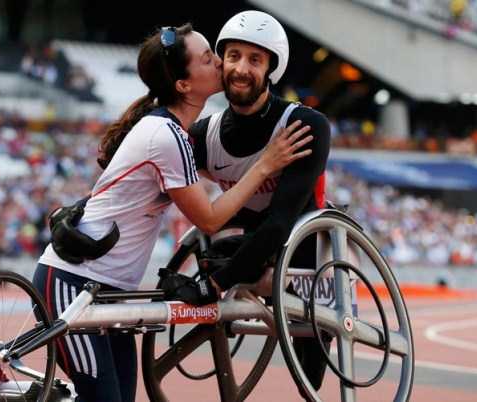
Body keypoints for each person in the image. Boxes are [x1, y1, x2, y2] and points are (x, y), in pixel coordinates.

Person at [32, 23, 313, 402]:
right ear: (184, 84)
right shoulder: (167, 136)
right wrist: (264, 165)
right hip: (70, 284)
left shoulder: (174, 133)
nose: (221, 64)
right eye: (208, 58)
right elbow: (211, 219)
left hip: (109, 291)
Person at [182, 10, 333, 397]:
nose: (241, 69)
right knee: (201, 253)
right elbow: (158, 186)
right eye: (233, 56)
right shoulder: (205, 133)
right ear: (221, 61)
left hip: (306, 250)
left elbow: (280, 224)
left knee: (308, 377)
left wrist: (217, 282)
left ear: (271, 69)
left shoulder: (303, 127)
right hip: (253, 243)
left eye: (255, 59)